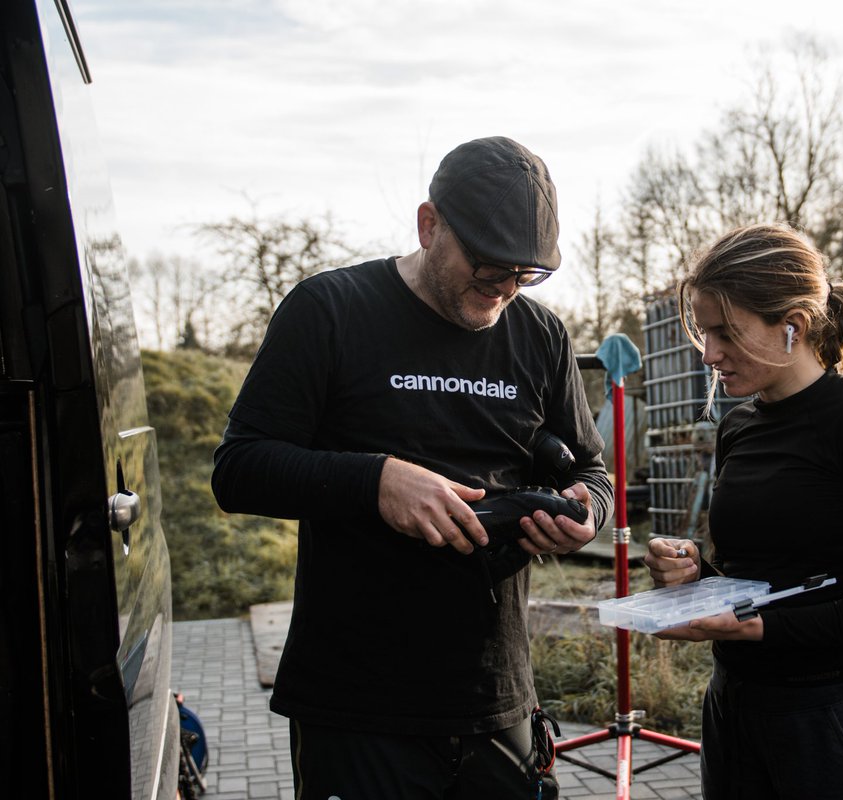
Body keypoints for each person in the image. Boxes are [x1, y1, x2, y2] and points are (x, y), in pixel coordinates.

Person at [211, 136, 613, 799]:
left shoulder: (542, 337)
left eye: (525, 273)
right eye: (487, 265)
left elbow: (593, 473)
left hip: (496, 701)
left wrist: (584, 511)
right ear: (429, 225)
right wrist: (376, 481)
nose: (505, 288)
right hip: (358, 707)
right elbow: (239, 469)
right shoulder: (329, 311)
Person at [644, 223, 843, 800]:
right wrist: (696, 576)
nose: (709, 354)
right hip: (736, 708)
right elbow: (764, 579)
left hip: (837, 717)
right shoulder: (737, 427)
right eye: (704, 332)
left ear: (792, 326)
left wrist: (760, 626)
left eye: (726, 332)